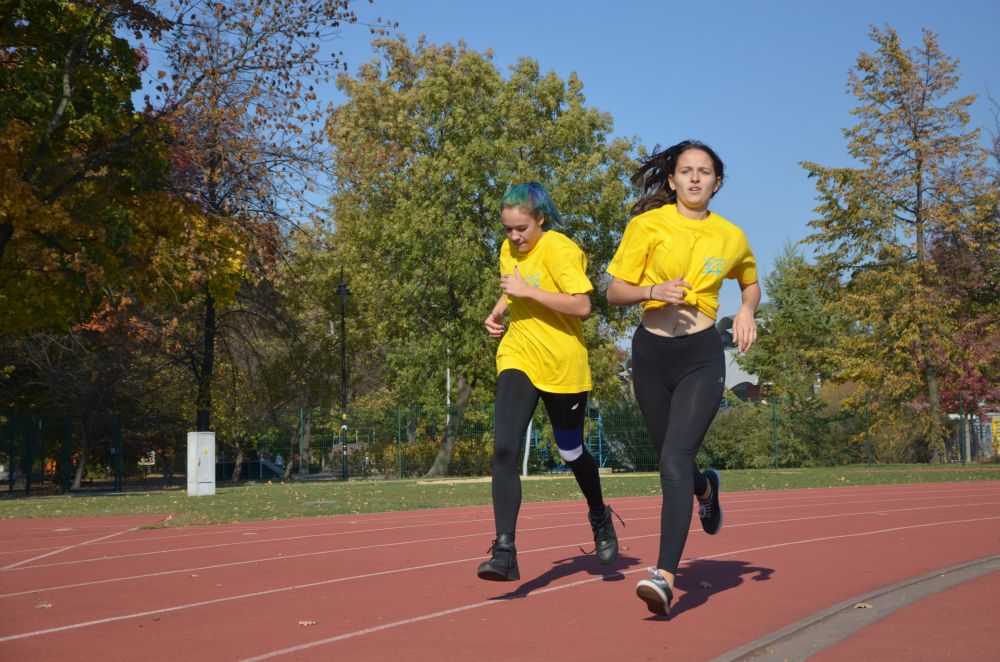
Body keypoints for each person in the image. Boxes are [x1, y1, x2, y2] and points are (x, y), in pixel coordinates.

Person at [606, 140, 760, 615]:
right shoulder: (646, 225)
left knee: (673, 458)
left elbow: (749, 280)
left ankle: (664, 576)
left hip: (700, 355)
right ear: (671, 180)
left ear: (717, 182)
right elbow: (613, 292)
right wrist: (654, 290)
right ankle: (705, 488)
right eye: (686, 171)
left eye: (705, 172)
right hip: (651, 353)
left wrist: (746, 311)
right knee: (673, 459)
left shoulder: (730, 236)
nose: (695, 178)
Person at [478, 182, 619, 581]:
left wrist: (529, 291)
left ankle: (599, 514)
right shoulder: (509, 250)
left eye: (521, 228)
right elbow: (514, 285)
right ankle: (505, 550)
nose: (514, 237)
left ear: (540, 219)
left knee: (571, 452)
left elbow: (583, 305)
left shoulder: (560, 249)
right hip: (519, 355)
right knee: (504, 447)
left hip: (562, 365)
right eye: (507, 229)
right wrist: (498, 311)